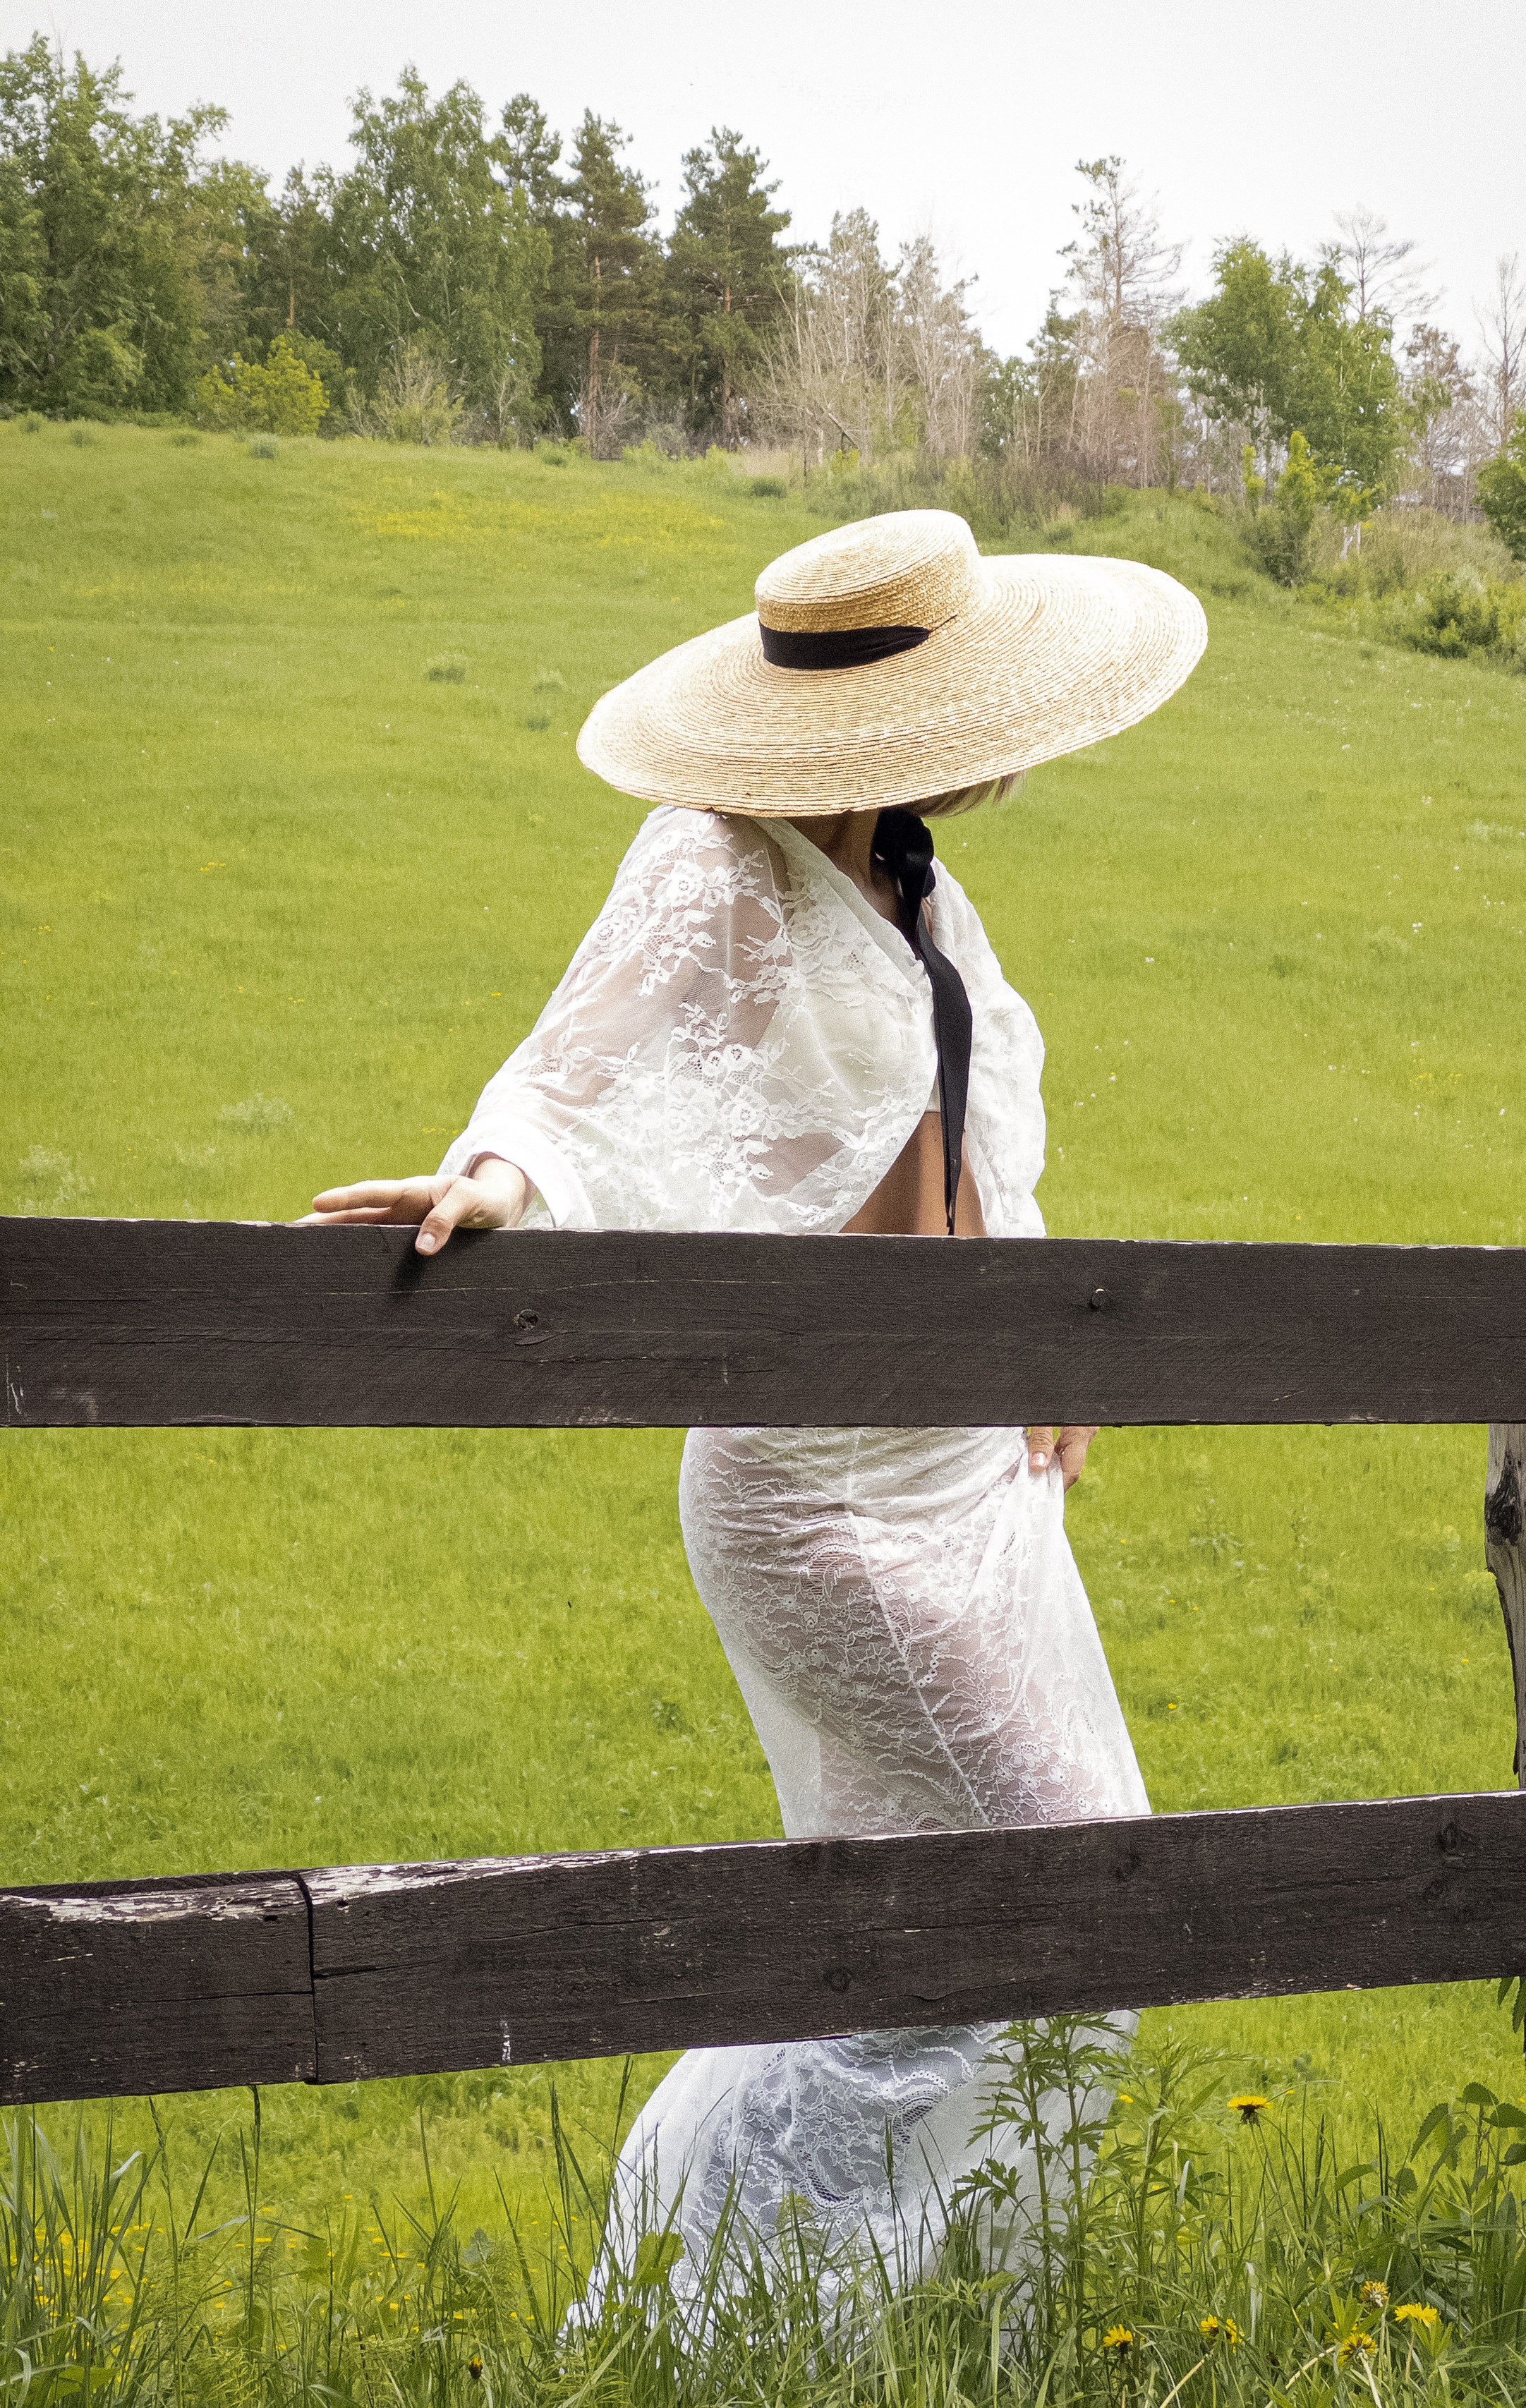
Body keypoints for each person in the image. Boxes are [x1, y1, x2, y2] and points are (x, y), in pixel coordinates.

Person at [303, 507, 1206, 2309]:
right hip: (820, 1488)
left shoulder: (913, 878)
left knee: (982, 1903)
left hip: (965, 1475)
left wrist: (1036, 1330)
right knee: (1063, 1894)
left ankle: (908, 2314)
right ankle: (707, 2284)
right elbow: (591, 1054)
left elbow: (974, 1112)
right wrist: (493, 1176)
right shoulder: (712, 858)